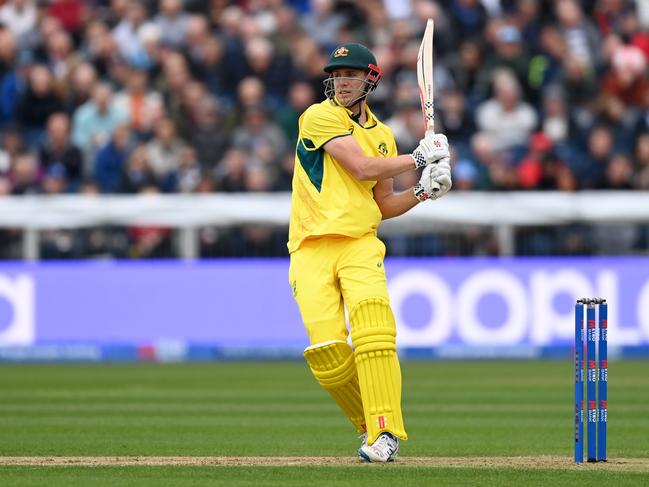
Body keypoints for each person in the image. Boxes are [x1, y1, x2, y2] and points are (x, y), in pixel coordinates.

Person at [287, 43, 452, 463]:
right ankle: (369, 424)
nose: (341, 82)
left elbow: (384, 204)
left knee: (374, 335)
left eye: (351, 75)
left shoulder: (382, 136)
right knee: (326, 355)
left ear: (370, 80)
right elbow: (359, 167)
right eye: (337, 75)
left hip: (360, 244)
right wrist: (417, 157)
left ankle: (385, 433)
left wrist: (422, 191)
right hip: (310, 248)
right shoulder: (318, 116)